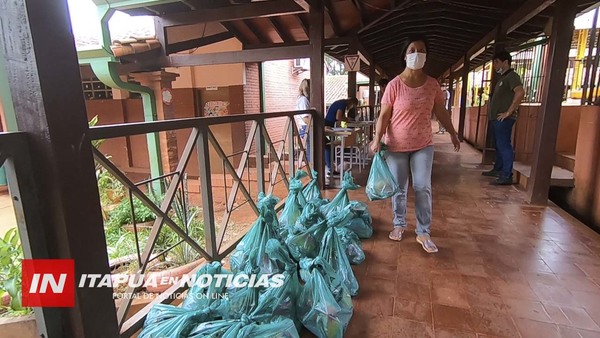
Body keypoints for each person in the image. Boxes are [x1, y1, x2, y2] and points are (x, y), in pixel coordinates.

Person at [369, 35, 460, 253]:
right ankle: (399, 224)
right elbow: (384, 116)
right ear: (405, 55)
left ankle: (423, 231)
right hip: (396, 146)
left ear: (426, 56)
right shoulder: (393, 85)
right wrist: (376, 138)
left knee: (422, 187)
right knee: (399, 188)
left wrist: (453, 134)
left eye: (420, 50)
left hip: (423, 145)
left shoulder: (432, 85)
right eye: (412, 50)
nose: (416, 54)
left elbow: (440, 111)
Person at [481, 50, 525, 185]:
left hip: (504, 119)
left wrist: (509, 112)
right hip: (496, 119)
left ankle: (507, 175)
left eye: (497, 62)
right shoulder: (503, 78)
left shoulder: (512, 76)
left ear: (506, 62)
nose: (494, 65)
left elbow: (520, 92)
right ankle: (498, 169)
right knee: (498, 144)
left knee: (504, 145)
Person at [324, 97, 358, 175]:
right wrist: (347, 119)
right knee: (329, 146)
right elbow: (338, 117)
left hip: (331, 124)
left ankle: (332, 166)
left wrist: (346, 119)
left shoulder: (341, 103)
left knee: (330, 145)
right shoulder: (342, 104)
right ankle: (330, 167)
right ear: (351, 103)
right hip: (329, 124)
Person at [295, 79, 311, 161]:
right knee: (311, 148)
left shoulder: (302, 99)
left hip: (305, 127)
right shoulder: (303, 100)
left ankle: (311, 168)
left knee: (310, 147)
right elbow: (305, 118)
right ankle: (311, 168)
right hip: (306, 127)